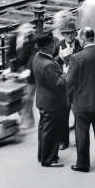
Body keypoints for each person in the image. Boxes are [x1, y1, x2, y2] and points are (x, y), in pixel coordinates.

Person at [65, 28, 95, 172]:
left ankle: (83, 164)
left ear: (82, 39)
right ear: (94, 38)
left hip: (82, 102)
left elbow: (69, 81)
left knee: (82, 134)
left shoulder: (76, 58)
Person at [30, 31, 67, 168]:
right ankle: (48, 159)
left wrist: (59, 60)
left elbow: (50, 64)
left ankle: (43, 155)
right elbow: (58, 84)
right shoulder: (47, 65)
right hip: (52, 102)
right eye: (53, 45)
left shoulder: (38, 57)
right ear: (49, 47)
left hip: (42, 100)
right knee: (51, 131)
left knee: (44, 130)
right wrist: (64, 74)